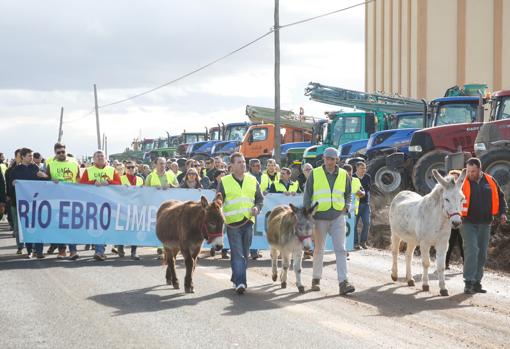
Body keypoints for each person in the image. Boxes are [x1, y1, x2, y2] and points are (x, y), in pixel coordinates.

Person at [303, 147, 355, 295]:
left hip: (338, 216)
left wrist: (347, 206)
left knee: (341, 249)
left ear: (337, 160)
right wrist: (309, 214)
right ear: (324, 158)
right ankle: (316, 280)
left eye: (332, 159)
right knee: (319, 249)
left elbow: (348, 193)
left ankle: (343, 282)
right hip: (319, 218)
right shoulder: (315, 173)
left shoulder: (344, 174)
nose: (329, 161)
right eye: (327, 158)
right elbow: (307, 195)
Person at [218, 152, 264, 294]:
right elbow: (218, 201)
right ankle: (241, 282)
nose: (243, 164)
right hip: (232, 224)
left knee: (244, 252)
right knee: (238, 253)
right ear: (231, 165)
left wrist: (257, 207)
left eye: (243, 162)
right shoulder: (224, 182)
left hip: (248, 221)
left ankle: (235, 277)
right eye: (239, 162)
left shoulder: (253, 180)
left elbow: (259, 199)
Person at [460, 157, 507, 294]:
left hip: (485, 223)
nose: (470, 174)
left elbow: (501, 197)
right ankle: (468, 282)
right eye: (468, 171)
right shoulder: (462, 182)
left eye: (473, 171)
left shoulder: (491, 181)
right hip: (467, 222)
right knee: (472, 250)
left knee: (481, 253)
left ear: (480, 169)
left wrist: (503, 213)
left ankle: (477, 282)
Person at [6, 148, 49, 258]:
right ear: (23, 157)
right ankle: (30, 250)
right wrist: (14, 184)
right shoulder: (15, 170)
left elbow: (44, 184)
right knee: (27, 227)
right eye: (29, 156)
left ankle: (39, 251)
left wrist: (44, 177)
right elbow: (10, 189)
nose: (31, 158)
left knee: (38, 227)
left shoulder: (35, 168)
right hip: (23, 204)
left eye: (32, 155)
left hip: (36, 203)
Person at [80, 150, 121, 261]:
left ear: (105, 158)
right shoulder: (88, 171)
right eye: (97, 156)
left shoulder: (112, 170)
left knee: (104, 227)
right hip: (93, 203)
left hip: (108, 203)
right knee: (97, 227)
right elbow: (81, 185)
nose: (100, 157)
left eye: (102, 156)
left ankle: (100, 250)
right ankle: (99, 251)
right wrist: (93, 182)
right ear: (93, 159)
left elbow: (119, 184)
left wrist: (109, 182)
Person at [46, 143, 81, 260]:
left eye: (63, 151)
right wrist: (51, 180)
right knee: (59, 226)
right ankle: (62, 250)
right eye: (58, 152)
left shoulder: (74, 163)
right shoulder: (50, 164)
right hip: (56, 200)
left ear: (66, 151)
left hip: (71, 199)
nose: (61, 154)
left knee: (71, 226)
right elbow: (46, 180)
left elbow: (78, 179)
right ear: (55, 153)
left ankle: (73, 251)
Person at [116, 160, 143, 260]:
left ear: (136, 168)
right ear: (125, 168)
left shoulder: (140, 179)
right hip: (123, 207)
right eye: (128, 167)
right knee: (122, 228)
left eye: (132, 167)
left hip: (136, 208)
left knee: (134, 229)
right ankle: (120, 246)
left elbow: (144, 193)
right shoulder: (120, 178)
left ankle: (134, 251)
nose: (131, 169)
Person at [445, 169, 464, 270]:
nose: (455, 180)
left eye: (457, 178)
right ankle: (445, 263)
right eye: (453, 178)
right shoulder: (446, 192)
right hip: (450, 222)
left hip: (461, 220)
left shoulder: (462, 192)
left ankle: (465, 264)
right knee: (449, 243)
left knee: (463, 243)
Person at [353, 162, 371, 249]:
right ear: (357, 168)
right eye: (362, 168)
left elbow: (368, 190)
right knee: (354, 224)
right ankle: (355, 243)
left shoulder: (368, 177)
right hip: (356, 205)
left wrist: (363, 194)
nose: (364, 170)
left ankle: (363, 242)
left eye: (365, 168)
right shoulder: (353, 177)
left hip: (365, 204)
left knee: (367, 223)